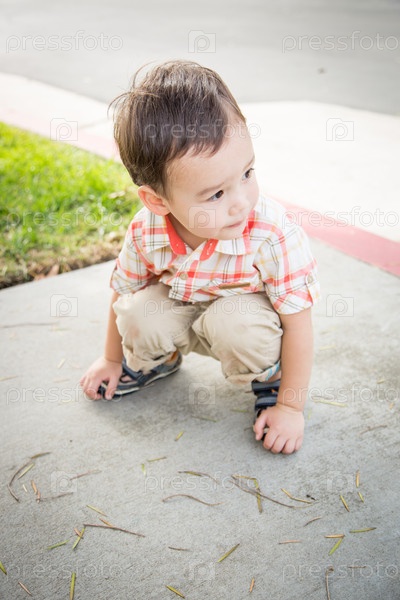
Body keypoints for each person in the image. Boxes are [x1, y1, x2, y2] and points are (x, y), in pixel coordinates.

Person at [80, 60, 321, 455]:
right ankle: (160, 360)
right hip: (186, 313)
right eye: (216, 194)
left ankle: (270, 379)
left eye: (247, 173)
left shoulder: (271, 233)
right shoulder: (146, 231)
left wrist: (291, 407)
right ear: (158, 201)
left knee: (235, 322)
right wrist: (111, 358)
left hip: (244, 327)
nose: (241, 202)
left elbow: (299, 324)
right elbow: (122, 291)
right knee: (138, 313)